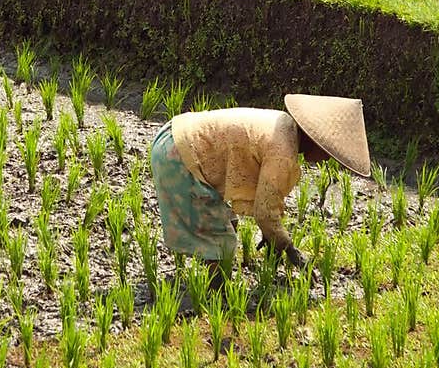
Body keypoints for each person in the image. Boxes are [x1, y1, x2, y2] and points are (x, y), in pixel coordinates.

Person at [149, 93, 371, 280]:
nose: (325, 159)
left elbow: (263, 196)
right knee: (219, 239)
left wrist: (270, 232)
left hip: (174, 135)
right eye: (327, 152)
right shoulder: (283, 152)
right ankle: (215, 296)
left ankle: (214, 285)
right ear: (314, 139)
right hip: (178, 155)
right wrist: (291, 250)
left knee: (228, 223)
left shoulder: (282, 123)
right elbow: (264, 212)